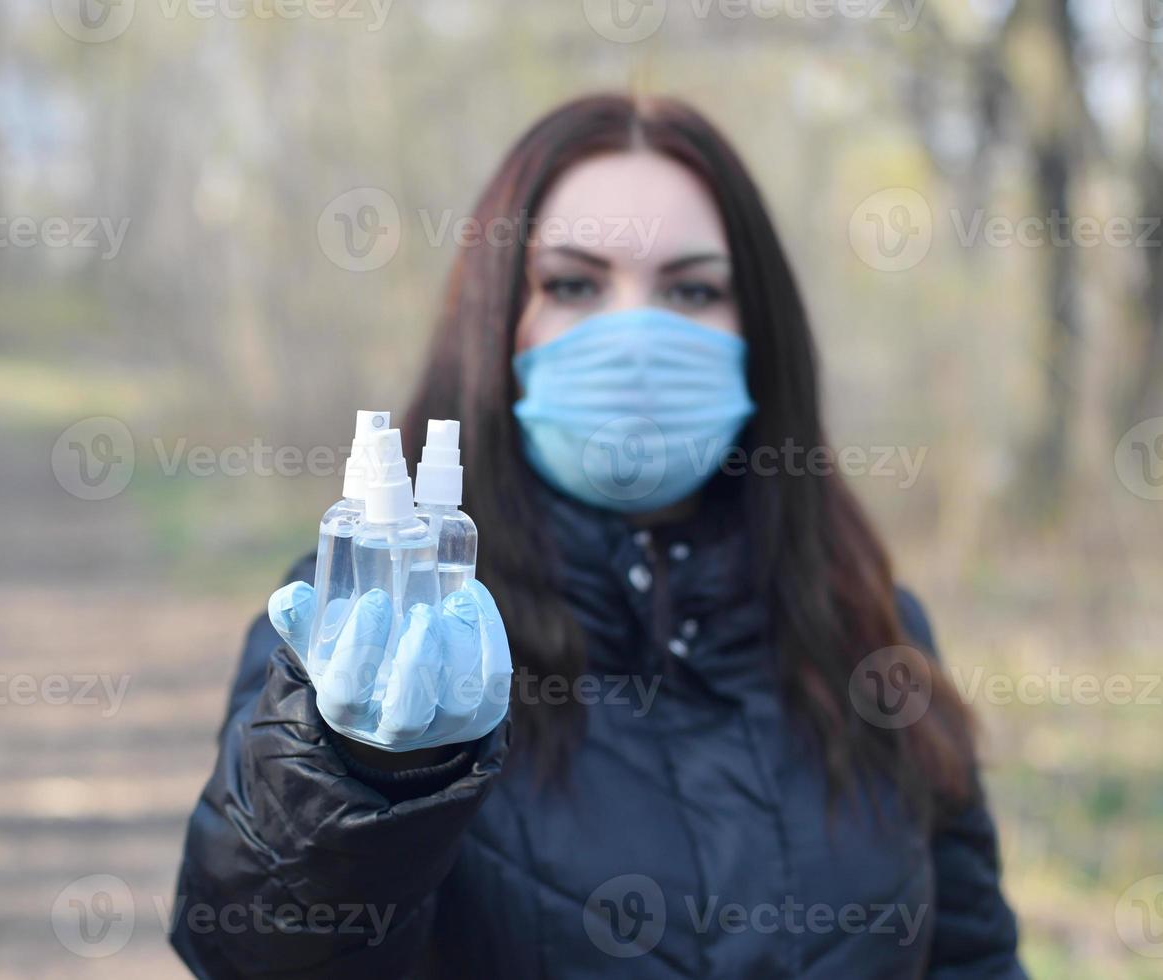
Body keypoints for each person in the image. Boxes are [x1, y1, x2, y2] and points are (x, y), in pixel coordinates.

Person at [168, 93, 1024, 978]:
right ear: (497, 326)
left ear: (757, 333)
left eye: (693, 289)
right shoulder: (378, 624)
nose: (636, 336)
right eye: (574, 284)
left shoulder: (869, 629)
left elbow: (972, 958)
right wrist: (358, 781)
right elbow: (256, 953)